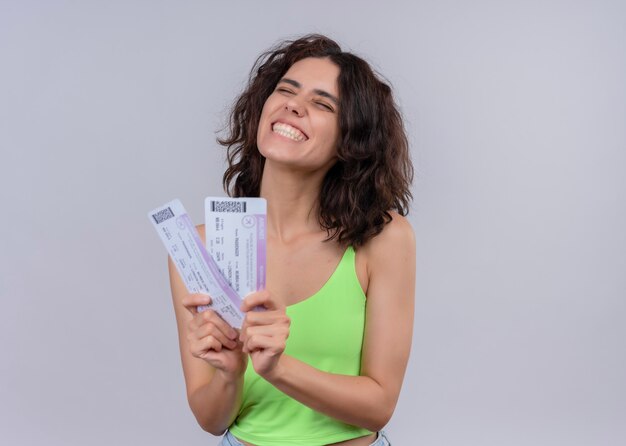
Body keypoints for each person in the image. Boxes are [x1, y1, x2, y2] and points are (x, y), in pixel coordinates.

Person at [168, 34, 415, 446]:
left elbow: (379, 405)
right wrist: (229, 373)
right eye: (285, 89)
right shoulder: (199, 248)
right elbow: (211, 420)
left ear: (349, 140)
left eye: (323, 104)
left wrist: (278, 369)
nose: (294, 105)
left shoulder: (383, 239)